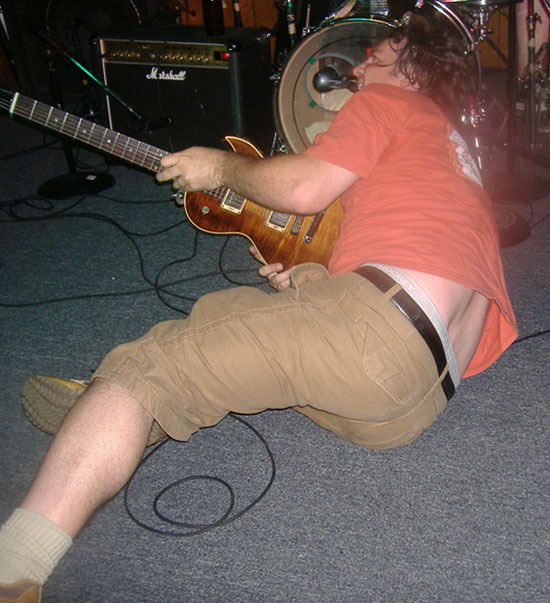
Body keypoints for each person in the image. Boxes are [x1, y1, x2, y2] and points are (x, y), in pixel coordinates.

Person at [0, 14, 517, 602]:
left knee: (149, 365)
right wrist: (314, 283)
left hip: (372, 338)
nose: (360, 66)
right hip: (415, 404)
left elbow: (303, 190)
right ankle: (136, 418)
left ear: (411, 70)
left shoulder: (387, 102)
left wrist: (219, 166)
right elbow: (434, 289)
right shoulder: (459, 161)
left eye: (376, 56)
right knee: (243, 353)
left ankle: (15, 565)